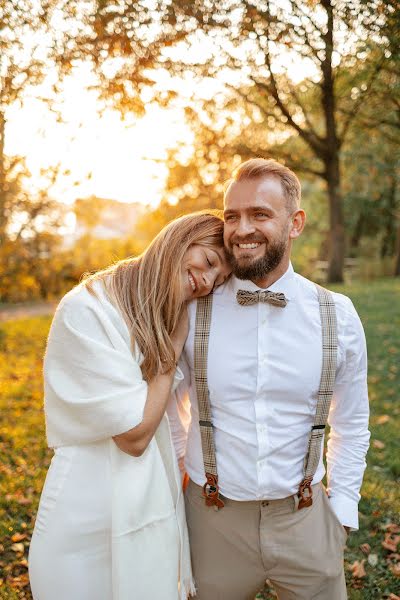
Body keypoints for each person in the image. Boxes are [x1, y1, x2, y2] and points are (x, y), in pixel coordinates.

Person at [168, 159, 370, 600]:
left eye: (260, 214)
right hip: (211, 522)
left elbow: (352, 424)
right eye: (232, 216)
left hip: (307, 519)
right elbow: (173, 416)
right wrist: (181, 499)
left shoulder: (338, 315)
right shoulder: (194, 308)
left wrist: (342, 512)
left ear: (295, 223)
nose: (242, 229)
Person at [28, 211, 231, 600]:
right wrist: (170, 351)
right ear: (178, 239)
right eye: (207, 262)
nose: (205, 281)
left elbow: (172, 422)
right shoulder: (88, 309)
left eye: (217, 279)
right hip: (83, 519)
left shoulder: (167, 314)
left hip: (149, 511)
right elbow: (135, 435)